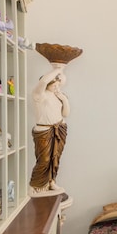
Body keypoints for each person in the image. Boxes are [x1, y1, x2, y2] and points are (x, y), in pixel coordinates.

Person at [29, 63, 70, 193]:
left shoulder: (57, 95)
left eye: (58, 85)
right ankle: (36, 185)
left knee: (56, 157)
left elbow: (65, 114)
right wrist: (57, 69)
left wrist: (64, 100)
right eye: (54, 85)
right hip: (44, 130)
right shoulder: (39, 94)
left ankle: (52, 181)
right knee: (44, 159)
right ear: (47, 84)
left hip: (59, 128)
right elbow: (44, 81)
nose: (57, 87)